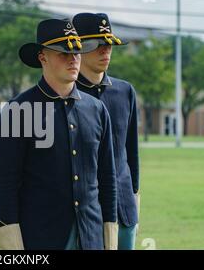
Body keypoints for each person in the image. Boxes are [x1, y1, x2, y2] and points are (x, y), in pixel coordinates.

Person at [0, 19, 118, 250]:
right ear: (42, 57)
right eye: (63, 53)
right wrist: (13, 246)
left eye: (77, 52)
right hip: (39, 238)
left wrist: (109, 237)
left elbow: (107, 179)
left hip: (91, 236)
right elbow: (5, 184)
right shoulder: (18, 111)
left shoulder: (97, 109)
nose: (73, 59)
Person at [73, 13, 140, 250]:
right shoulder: (67, 95)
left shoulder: (125, 91)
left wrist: (133, 198)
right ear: (77, 48)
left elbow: (131, 154)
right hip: (85, 215)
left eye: (109, 44)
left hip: (124, 212)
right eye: (97, 45)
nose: (106, 50)